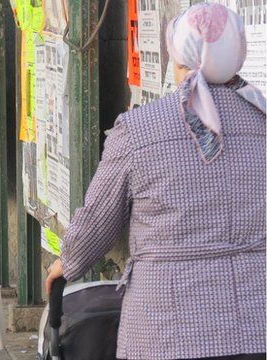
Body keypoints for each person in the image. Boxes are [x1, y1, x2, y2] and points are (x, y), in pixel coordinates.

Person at [44, 4, 266, 360]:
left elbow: (97, 222)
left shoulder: (139, 128)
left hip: (165, 327)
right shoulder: (261, 121)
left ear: (179, 59)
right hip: (255, 327)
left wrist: (66, 263)